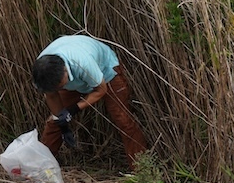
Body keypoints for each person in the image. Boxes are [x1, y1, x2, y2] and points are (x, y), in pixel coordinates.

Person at [32, 35, 147, 170]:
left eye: (59, 86)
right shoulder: (43, 74)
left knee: (123, 120)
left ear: (64, 72)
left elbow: (101, 89)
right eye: (56, 88)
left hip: (106, 73)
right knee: (55, 122)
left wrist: (74, 109)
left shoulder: (82, 63)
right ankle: (39, 169)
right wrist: (63, 124)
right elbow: (52, 97)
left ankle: (142, 170)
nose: (58, 90)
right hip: (75, 80)